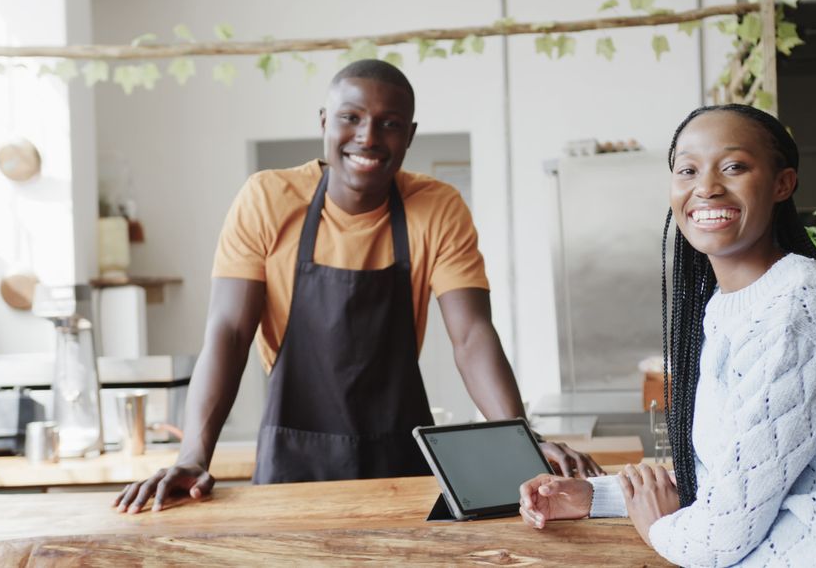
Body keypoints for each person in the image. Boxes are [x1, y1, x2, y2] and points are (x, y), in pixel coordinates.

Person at [114, 59, 600, 514]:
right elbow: (229, 332)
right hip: (292, 463)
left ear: (409, 135)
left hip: (401, 461)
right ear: (325, 121)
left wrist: (520, 437)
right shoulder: (267, 199)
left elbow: (472, 336)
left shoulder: (436, 207)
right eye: (351, 117)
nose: (368, 137)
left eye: (389, 123)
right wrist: (195, 456)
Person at [518, 105, 816, 566]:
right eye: (688, 170)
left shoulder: (798, 308)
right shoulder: (727, 307)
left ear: (783, 184)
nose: (706, 187)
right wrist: (590, 496)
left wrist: (659, 526)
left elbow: (719, 537)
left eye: (734, 167)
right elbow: (732, 480)